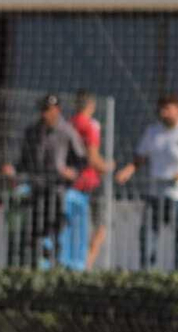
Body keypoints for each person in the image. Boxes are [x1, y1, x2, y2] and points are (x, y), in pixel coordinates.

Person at [0, 94, 84, 269]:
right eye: (42, 110)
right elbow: (24, 161)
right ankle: (35, 264)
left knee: (55, 229)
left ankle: (57, 264)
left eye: (48, 110)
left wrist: (72, 173)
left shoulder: (67, 132)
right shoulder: (32, 132)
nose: (45, 114)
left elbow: (81, 160)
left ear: (57, 110)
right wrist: (13, 170)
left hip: (57, 190)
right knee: (32, 229)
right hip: (36, 188)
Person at [116, 93, 178, 272]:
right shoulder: (153, 131)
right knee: (148, 234)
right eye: (161, 109)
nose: (164, 113)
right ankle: (146, 272)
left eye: (168, 108)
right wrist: (128, 170)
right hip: (155, 193)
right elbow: (141, 157)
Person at [65, 90, 113, 270]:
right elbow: (93, 158)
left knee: (73, 227)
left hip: (71, 182)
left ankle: (73, 263)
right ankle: (86, 265)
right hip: (90, 183)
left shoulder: (68, 124)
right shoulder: (90, 125)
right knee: (99, 229)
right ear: (91, 106)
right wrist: (108, 166)